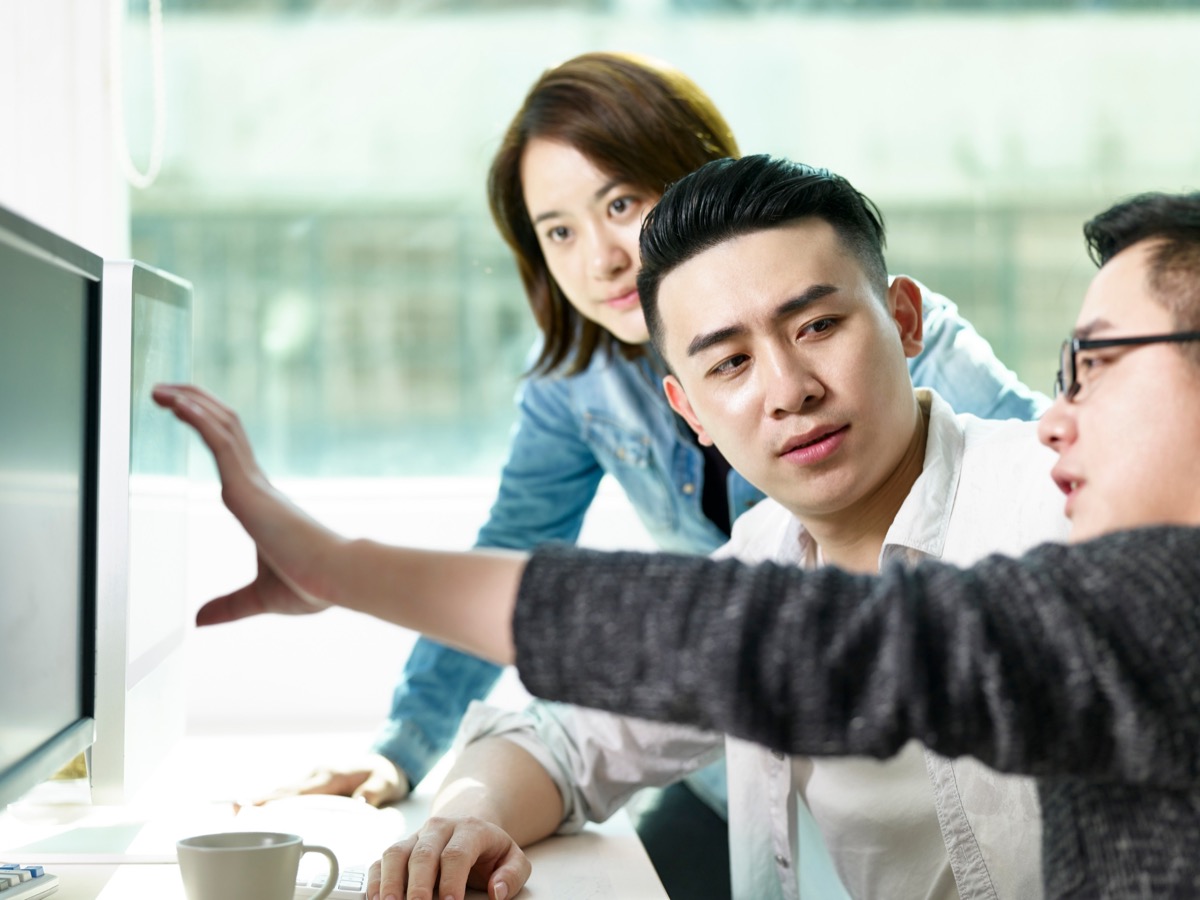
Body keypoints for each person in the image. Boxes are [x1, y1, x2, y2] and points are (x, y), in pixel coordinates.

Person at [153, 186, 1200, 900]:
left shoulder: (1086, 520)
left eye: (819, 326)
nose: (788, 390)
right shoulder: (762, 557)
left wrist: (338, 566)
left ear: (907, 319)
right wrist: (460, 816)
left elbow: (770, 646)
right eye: (729, 362)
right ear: (688, 409)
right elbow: (567, 729)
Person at [260, 50, 1044, 897]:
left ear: (902, 321)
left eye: (623, 204)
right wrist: (422, 765)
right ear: (689, 409)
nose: (602, 258)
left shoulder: (1026, 483)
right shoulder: (603, 411)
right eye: (558, 230)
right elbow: (543, 622)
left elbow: (1076, 483)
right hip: (739, 755)